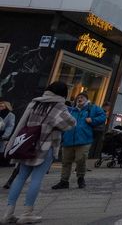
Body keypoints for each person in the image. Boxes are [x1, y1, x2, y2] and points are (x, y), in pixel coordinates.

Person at [3, 81, 75, 224]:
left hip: (27, 145)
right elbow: (70, 124)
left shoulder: (35, 103)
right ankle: (27, 213)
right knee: (36, 179)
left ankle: (8, 212)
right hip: (45, 146)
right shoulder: (59, 106)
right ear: (63, 93)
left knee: (20, 177)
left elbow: (22, 123)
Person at [50, 91, 105, 190]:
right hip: (68, 139)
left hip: (84, 139)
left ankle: (80, 178)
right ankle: (64, 181)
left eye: (82, 97)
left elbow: (102, 116)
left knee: (81, 160)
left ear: (86, 99)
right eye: (78, 97)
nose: (80, 99)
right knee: (66, 161)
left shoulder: (92, 108)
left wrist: (92, 120)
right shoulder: (71, 110)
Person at [0, 101, 14, 169]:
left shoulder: (10, 115)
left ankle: (4, 162)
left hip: (4, 134)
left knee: (3, 148)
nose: (1, 108)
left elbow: (10, 126)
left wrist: (5, 135)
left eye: (2, 106)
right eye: (0, 106)